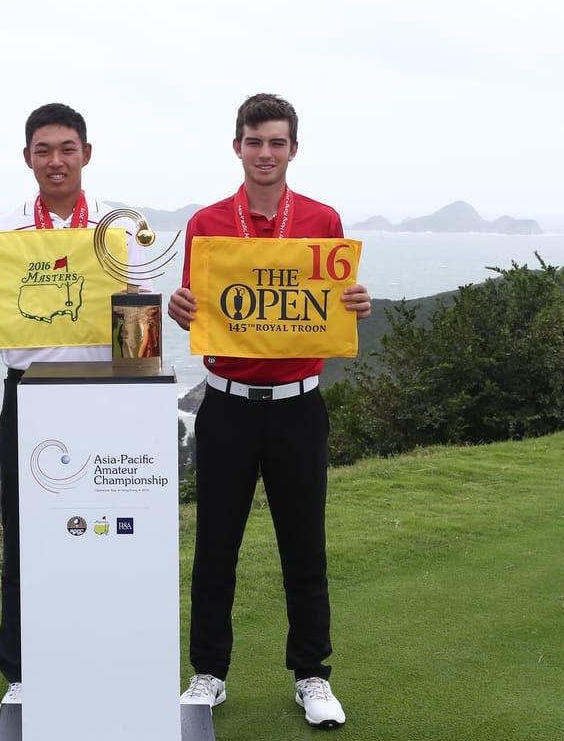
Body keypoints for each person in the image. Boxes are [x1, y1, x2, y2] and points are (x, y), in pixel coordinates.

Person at [167, 93, 371, 729]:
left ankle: (313, 675)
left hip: (298, 407)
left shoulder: (322, 219)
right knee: (215, 547)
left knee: (303, 547)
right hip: (226, 406)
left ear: (293, 149)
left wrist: (356, 303)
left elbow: (335, 299)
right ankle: (208, 673)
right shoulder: (207, 222)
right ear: (237, 146)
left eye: (276, 142)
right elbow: (196, 305)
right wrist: (180, 307)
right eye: (254, 142)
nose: (264, 153)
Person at [0, 103, 144, 711]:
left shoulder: (119, 233)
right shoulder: (1, 234)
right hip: (29, 393)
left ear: (86, 153)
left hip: (105, 395)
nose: (55, 161)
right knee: (26, 535)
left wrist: (136, 324)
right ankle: (22, 669)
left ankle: (107, 651)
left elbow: (140, 339)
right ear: (27, 157)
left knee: (107, 530)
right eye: (43, 150)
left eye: (67, 149)